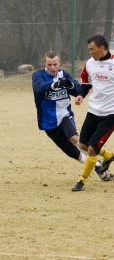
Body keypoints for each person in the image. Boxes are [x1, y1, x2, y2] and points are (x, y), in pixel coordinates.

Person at [32, 50, 112, 182]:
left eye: (55, 64)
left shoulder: (64, 74)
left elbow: (78, 91)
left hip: (64, 114)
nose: (52, 67)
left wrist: (71, 85)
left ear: (59, 63)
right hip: (48, 120)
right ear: (45, 64)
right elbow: (39, 87)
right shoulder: (38, 75)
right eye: (49, 65)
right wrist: (54, 84)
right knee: (70, 151)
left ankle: (97, 160)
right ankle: (97, 165)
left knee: (74, 138)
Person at [72, 34, 114, 192]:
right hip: (93, 111)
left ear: (101, 48)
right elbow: (86, 83)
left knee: (92, 149)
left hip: (110, 115)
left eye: (92, 49)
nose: (89, 52)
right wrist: (80, 95)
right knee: (83, 144)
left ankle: (81, 181)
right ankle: (108, 155)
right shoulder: (89, 63)